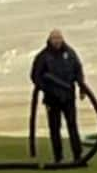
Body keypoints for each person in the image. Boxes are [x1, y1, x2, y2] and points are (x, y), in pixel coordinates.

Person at [30, 29, 85, 165]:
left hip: (68, 97)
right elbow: (35, 76)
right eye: (54, 38)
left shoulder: (70, 53)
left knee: (72, 125)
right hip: (52, 98)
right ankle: (58, 157)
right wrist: (46, 88)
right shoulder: (43, 56)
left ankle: (78, 156)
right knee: (55, 128)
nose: (57, 41)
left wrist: (82, 88)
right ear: (50, 40)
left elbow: (78, 70)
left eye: (59, 38)